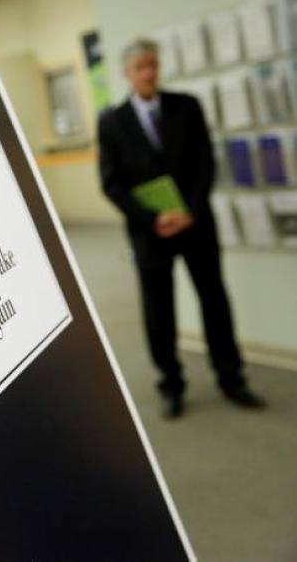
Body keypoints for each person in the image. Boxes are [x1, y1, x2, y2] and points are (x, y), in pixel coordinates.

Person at [98, 38, 264, 419]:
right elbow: (112, 184)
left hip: (196, 225)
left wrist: (189, 210)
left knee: (215, 301)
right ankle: (170, 385)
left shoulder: (186, 107)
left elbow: (206, 164)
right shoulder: (112, 122)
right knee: (159, 311)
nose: (149, 72)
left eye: (153, 65)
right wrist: (153, 219)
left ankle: (232, 378)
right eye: (141, 67)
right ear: (128, 73)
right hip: (149, 233)